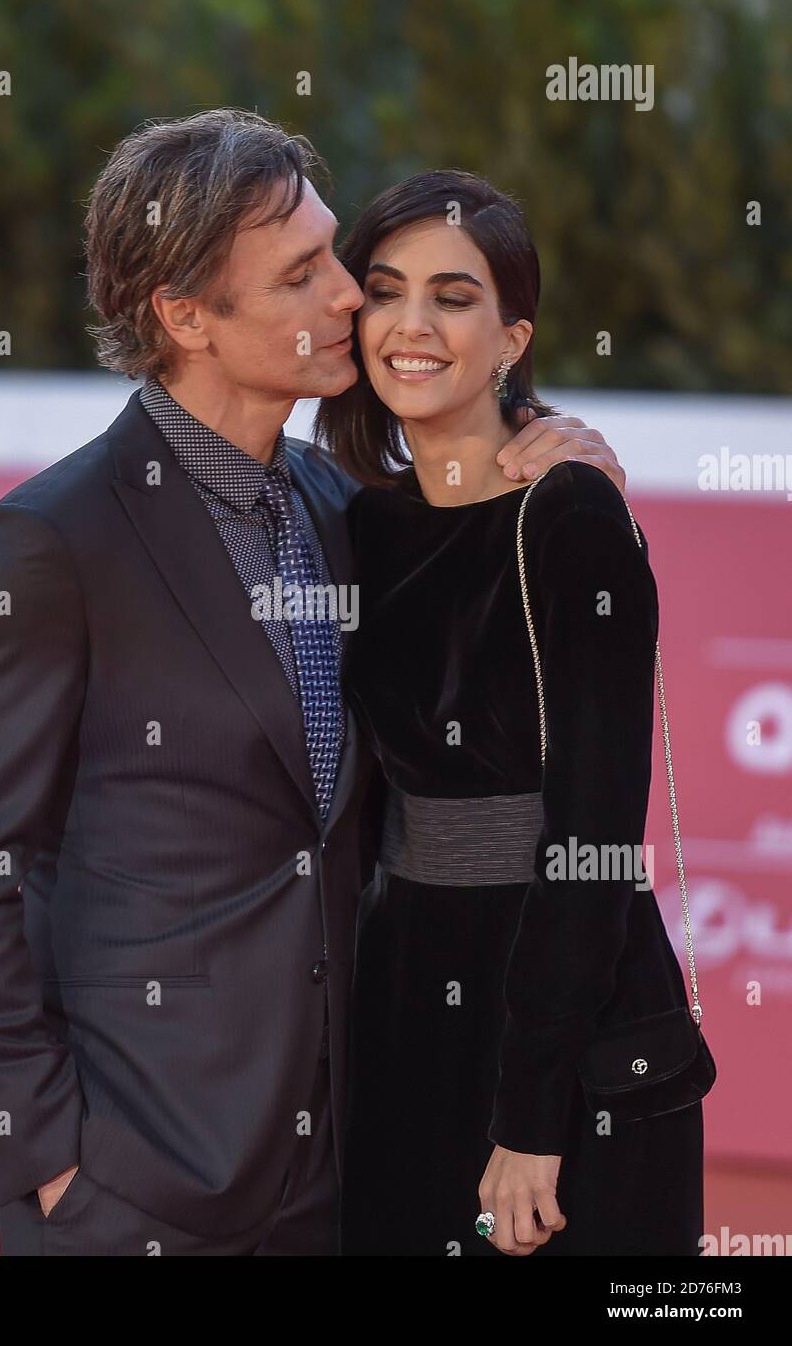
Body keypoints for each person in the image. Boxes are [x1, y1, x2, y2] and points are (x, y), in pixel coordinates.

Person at [0, 112, 625, 1256]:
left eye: (333, 257)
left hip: (337, 1172)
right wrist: (43, 1150)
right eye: (301, 275)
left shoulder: (348, 515)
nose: (349, 298)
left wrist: (557, 456)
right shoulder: (51, 543)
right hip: (127, 1188)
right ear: (185, 317)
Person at [315, 169, 706, 1257]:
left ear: (509, 336)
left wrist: (531, 1115)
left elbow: (592, 836)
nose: (409, 324)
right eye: (385, 289)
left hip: (564, 1023)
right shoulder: (361, 524)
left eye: (452, 296)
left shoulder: (570, 511)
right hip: (404, 1007)